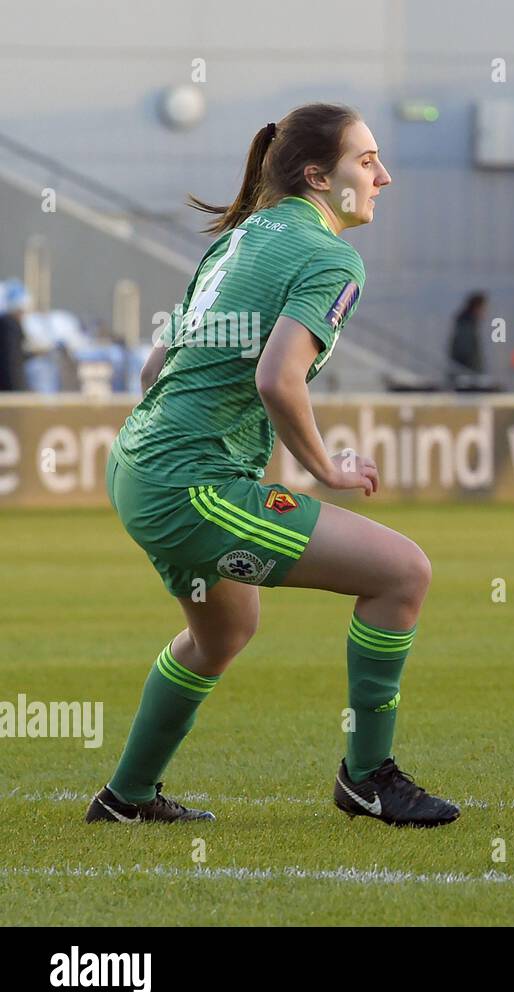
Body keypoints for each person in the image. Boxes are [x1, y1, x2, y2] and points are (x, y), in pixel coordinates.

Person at [86, 103, 459, 827]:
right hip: (189, 484)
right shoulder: (330, 256)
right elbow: (276, 378)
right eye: (366, 161)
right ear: (319, 177)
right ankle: (367, 777)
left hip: (138, 464)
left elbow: (159, 364)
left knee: (222, 635)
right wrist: (323, 466)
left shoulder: (241, 238)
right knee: (403, 573)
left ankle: (125, 799)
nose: (385, 176)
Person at [447, 290, 487, 386]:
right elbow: (464, 353)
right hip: (468, 381)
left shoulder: (466, 324)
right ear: (477, 308)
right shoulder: (466, 326)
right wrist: (474, 376)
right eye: (484, 309)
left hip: (466, 379)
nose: (485, 313)